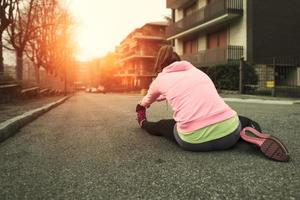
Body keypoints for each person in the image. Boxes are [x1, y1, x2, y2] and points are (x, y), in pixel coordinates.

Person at [135, 45, 289, 162]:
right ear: (179, 61)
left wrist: (141, 106)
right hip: (229, 136)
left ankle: (143, 123)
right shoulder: (197, 72)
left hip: (193, 142)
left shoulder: (160, 79)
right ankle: (252, 135)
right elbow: (189, 91)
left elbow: (147, 100)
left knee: (163, 125)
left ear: (161, 64)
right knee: (244, 121)